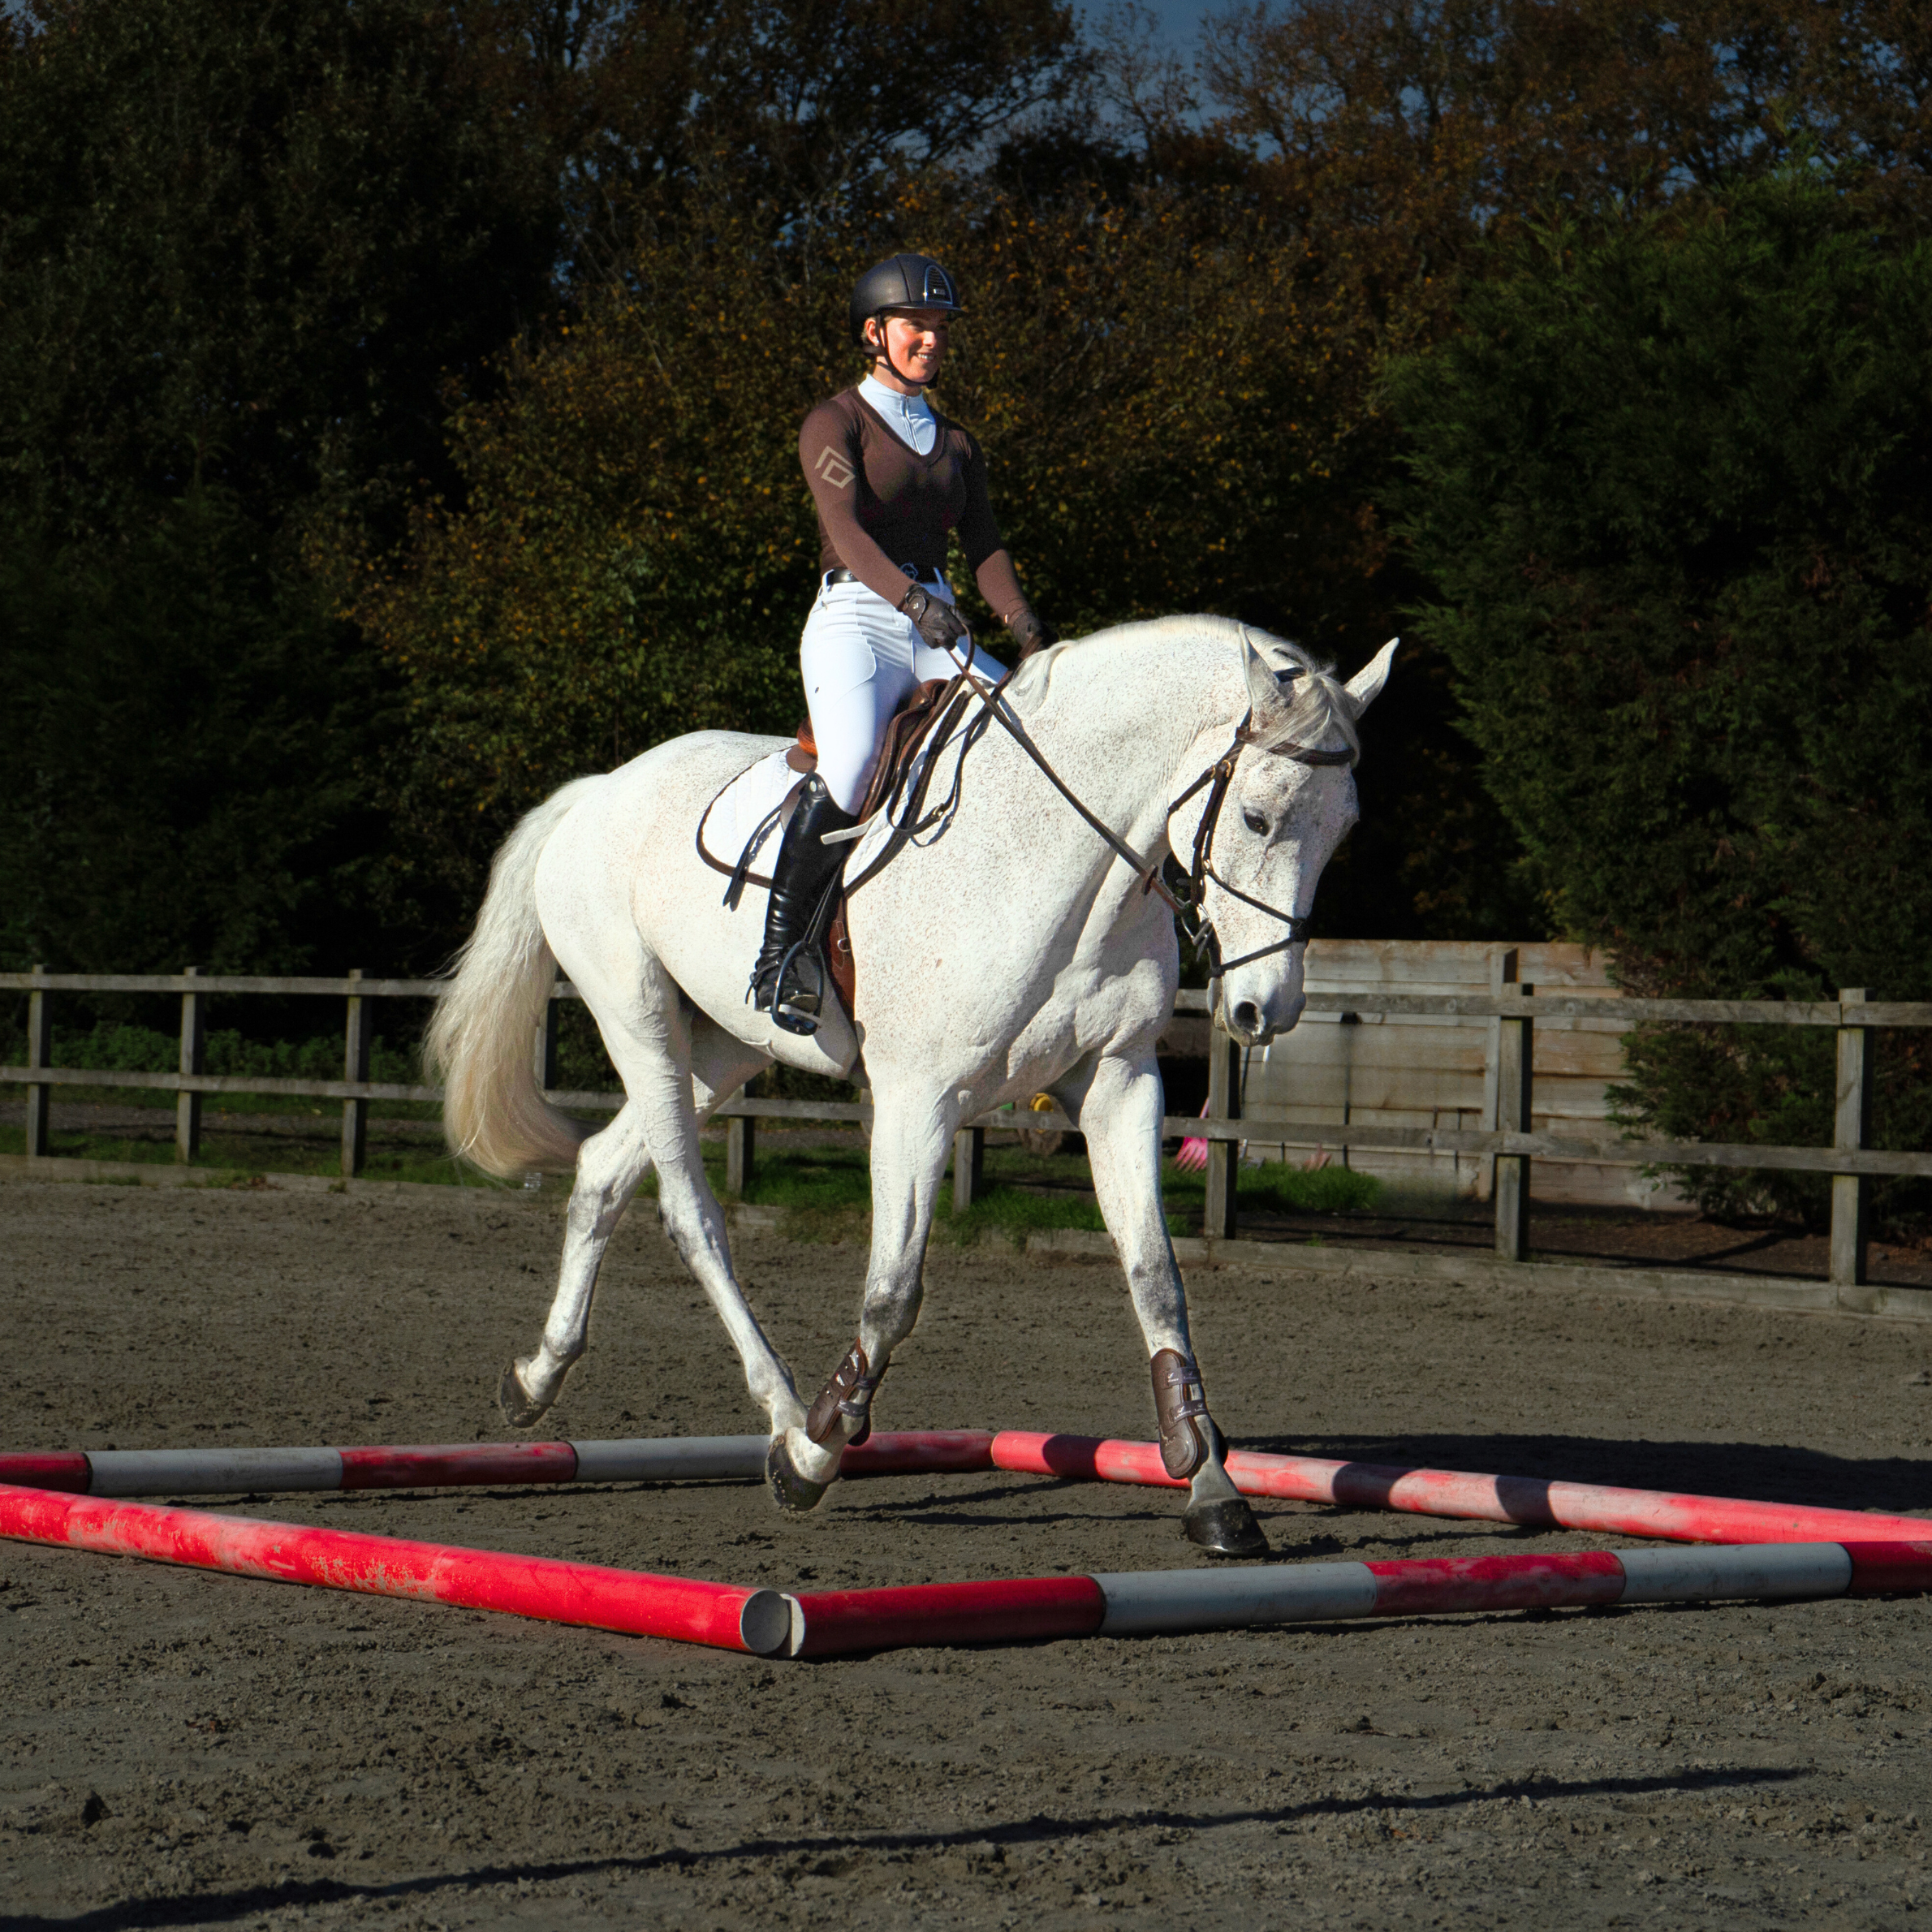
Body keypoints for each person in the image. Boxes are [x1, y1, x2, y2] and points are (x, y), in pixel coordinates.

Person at [750, 252, 1050, 1034]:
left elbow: (984, 546)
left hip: (937, 618)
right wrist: (915, 602)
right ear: (875, 333)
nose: (933, 339)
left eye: (941, 327)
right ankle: (782, 954)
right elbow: (844, 531)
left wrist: (1025, 628)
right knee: (849, 765)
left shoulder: (957, 442)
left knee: (1027, 745)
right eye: (919, 325)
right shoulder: (835, 421)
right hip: (859, 618)